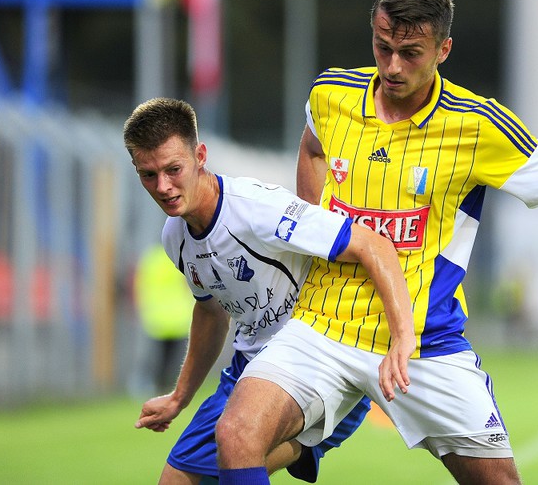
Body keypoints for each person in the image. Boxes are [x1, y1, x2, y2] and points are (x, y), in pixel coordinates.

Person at [215, 0, 538, 485]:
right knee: (235, 435)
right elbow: (312, 147)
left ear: (443, 49)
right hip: (321, 325)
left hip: (425, 341)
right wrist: (315, 230)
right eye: (382, 47)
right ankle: (311, 438)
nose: (392, 66)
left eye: (411, 52)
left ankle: (312, 439)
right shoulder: (332, 93)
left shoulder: (479, 124)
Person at [124, 97, 415, 484]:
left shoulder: (257, 209)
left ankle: (307, 440)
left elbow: (371, 245)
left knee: (238, 450)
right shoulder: (175, 237)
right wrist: (179, 397)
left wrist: (401, 337)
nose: (163, 186)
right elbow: (211, 313)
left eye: (173, 169)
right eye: (148, 175)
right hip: (249, 367)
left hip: (315, 359)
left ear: (200, 156)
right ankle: (304, 446)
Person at [132, 243, 194, 395]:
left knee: (156, 359)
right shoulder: (178, 257)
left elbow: (139, 284)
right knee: (175, 361)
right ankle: (170, 390)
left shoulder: (150, 259)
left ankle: (153, 388)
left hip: (157, 319)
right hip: (178, 317)